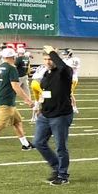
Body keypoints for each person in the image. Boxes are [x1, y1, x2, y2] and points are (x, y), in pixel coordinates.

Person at [0, 48, 35, 156]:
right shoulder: (12, 69)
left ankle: (25, 144)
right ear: (13, 57)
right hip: (6, 101)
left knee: (17, 122)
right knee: (1, 124)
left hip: (1, 99)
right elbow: (15, 87)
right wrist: (27, 100)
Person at [33, 46, 76, 184]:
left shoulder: (64, 71)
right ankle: (56, 167)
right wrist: (41, 106)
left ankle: (63, 175)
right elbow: (46, 92)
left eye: (50, 58)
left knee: (60, 147)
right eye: (45, 59)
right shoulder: (47, 73)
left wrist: (53, 52)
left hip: (61, 115)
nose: (48, 61)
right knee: (38, 142)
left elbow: (63, 67)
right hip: (46, 114)